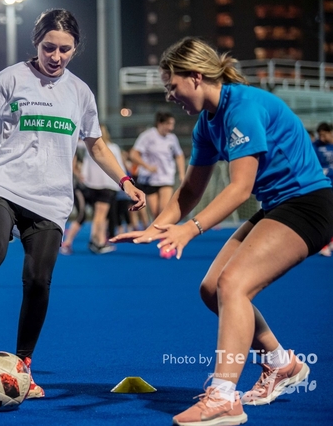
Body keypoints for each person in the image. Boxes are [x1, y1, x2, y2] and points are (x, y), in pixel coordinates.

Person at [0, 8, 145, 398]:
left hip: (51, 197)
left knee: (38, 279)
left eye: (65, 49)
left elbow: (97, 145)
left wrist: (125, 181)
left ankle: (22, 366)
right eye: (49, 47)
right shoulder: (10, 78)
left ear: (76, 48)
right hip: (0, 184)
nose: (56, 56)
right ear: (36, 43)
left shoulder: (80, 93)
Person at [112, 37, 333, 425]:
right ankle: (281, 363)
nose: (170, 96)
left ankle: (224, 398)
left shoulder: (243, 108)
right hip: (278, 205)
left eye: (172, 86)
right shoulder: (207, 123)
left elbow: (240, 189)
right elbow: (190, 190)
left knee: (233, 285)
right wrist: (156, 228)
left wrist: (189, 229)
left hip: (309, 204)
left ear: (196, 77)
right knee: (212, 289)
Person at [61, 125, 126, 254]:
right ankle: (95, 242)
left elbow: (77, 144)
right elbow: (119, 166)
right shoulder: (112, 148)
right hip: (106, 185)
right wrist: (124, 182)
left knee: (98, 215)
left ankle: (97, 240)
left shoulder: (90, 146)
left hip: (92, 185)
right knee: (99, 216)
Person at [130, 111, 186, 220]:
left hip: (166, 178)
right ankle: (158, 229)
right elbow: (134, 154)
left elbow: (179, 155)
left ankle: (165, 230)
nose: (171, 128)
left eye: (172, 124)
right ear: (160, 123)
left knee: (163, 209)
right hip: (150, 179)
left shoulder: (172, 138)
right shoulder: (147, 136)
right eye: (168, 124)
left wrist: (182, 174)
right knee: (155, 213)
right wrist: (147, 166)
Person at [313, 123, 333, 256]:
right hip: (324, 185)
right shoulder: (316, 147)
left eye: (324, 135)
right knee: (325, 214)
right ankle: (324, 244)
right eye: (320, 135)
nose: (321, 138)